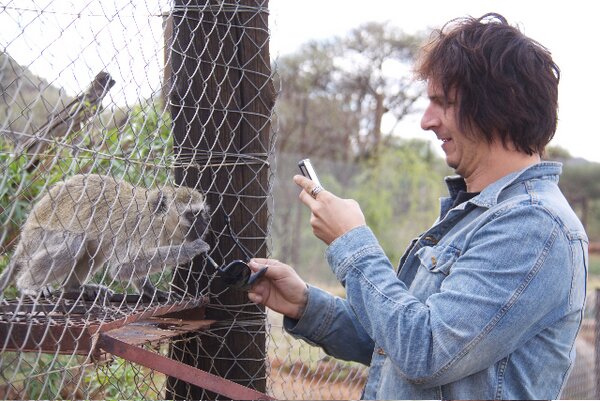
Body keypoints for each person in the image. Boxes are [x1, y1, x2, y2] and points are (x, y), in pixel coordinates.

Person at [248, 13, 588, 400]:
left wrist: (352, 243)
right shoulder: (477, 216)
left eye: (443, 103)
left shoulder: (532, 225)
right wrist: (306, 305)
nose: (427, 121)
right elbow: (391, 343)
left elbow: (425, 352)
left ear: (497, 107)